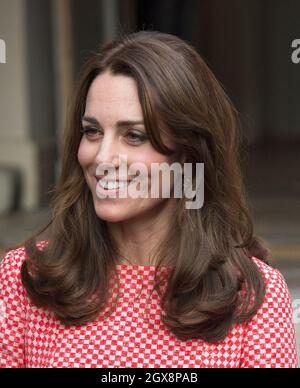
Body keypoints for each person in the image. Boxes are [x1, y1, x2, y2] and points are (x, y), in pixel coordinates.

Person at [0, 31, 298, 368]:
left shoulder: (254, 298)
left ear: (187, 155)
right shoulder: (26, 281)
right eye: (92, 131)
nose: (103, 157)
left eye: (134, 135)